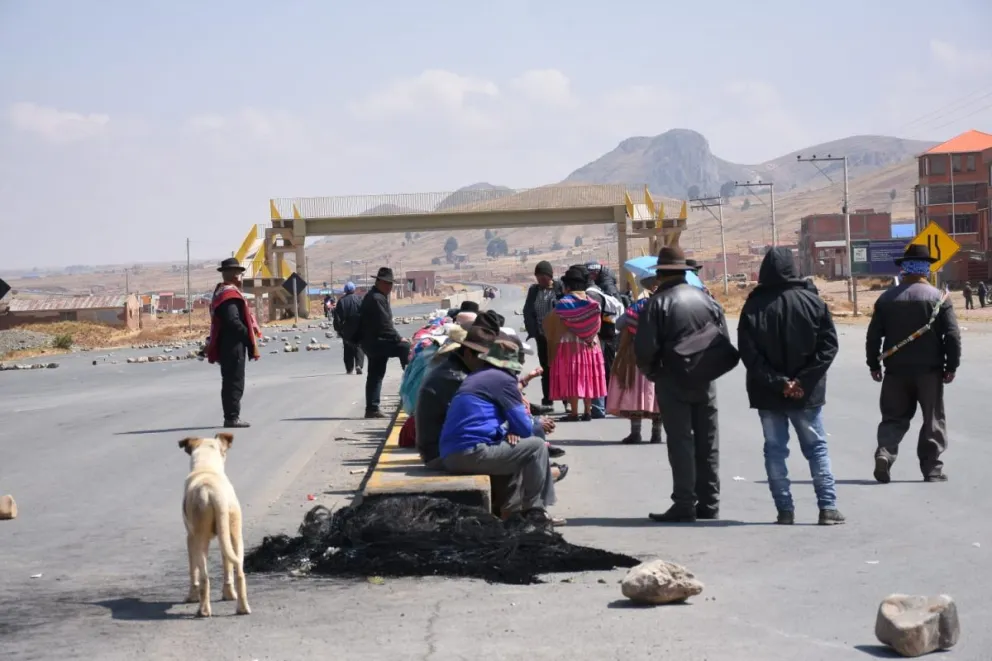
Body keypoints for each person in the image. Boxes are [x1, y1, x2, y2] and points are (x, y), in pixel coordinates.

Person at [738, 248, 845, 526]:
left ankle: (785, 510)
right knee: (817, 448)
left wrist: (779, 383)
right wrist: (802, 382)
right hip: (806, 395)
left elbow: (749, 355)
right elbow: (828, 347)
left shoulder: (753, 307)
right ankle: (828, 508)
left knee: (775, 450)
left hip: (768, 394)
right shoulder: (813, 302)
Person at [635, 246, 734, 523]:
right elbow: (722, 340)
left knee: (680, 442)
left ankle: (684, 503)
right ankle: (710, 503)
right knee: (708, 441)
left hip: (672, 380)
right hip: (705, 381)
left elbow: (644, 350)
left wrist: (654, 373)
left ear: (661, 274)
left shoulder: (657, 303)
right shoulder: (707, 300)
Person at [866, 244, 961, 484]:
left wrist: (873, 364)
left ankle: (885, 454)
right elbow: (952, 336)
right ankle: (932, 469)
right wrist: (952, 366)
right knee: (932, 419)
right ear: (926, 270)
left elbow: (873, 336)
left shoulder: (886, 298)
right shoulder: (939, 298)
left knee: (893, 417)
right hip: (929, 372)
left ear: (904, 270)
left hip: (895, 371)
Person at [439, 339, 557, 527]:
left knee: (518, 449)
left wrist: (511, 428)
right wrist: (535, 423)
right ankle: (535, 511)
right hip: (470, 453)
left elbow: (489, 420)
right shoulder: (503, 380)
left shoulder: (477, 377)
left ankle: (514, 512)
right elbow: (525, 427)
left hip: (452, 452)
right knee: (536, 447)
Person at [415, 312, 501, 468]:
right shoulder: (456, 378)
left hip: (446, 447)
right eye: (483, 358)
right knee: (525, 447)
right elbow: (478, 419)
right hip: (441, 453)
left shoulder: (458, 369)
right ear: (468, 354)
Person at [543, 266, 607, 421]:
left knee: (574, 377)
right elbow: (598, 324)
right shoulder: (593, 303)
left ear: (568, 286)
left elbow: (550, 324)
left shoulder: (563, 304)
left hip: (570, 346)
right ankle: (587, 411)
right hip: (591, 345)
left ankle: (573, 413)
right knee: (587, 377)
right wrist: (589, 336)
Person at [205, 258, 262, 428]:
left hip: (227, 344)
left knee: (230, 381)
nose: (241, 277)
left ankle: (231, 416)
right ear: (234, 275)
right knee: (234, 382)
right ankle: (232, 417)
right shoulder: (230, 296)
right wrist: (248, 336)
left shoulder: (221, 292)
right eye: (239, 274)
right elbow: (233, 321)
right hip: (232, 346)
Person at [607, 274, 663, 444]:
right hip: (661, 357)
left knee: (636, 390)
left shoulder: (640, 305)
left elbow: (619, 324)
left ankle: (636, 433)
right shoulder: (669, 306)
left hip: (637, 354)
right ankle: (656, 433)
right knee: (657, 393)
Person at [358, 267, 411, 419]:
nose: (389, 287)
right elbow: (385, 325)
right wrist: (398, 338)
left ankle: (372, 409)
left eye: (391, 284)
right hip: (377, 342)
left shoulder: (377, 296)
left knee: (375, 374)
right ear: (379, 282)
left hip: (373, 342)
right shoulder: (376, 298)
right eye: (387, 283)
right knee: (405, 348)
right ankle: (412, 385)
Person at [522, 261, 562, 414]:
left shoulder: (560, 289)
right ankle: (548, 400)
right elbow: (528, 311)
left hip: (558, 336)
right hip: (541, 335)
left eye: (543, 277)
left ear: (550, 276)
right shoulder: (534, 291)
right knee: (546, 368)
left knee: (560, 368)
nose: (540, 280)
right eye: (538, 277)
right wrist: (532, 329)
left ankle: (566, 400)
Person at [586, 265, 624, 419]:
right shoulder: (604, 287)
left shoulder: (599, 290)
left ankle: (607, 403)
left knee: (606, 369)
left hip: (606, 335)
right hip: (611, 333)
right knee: (608, 368)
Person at [332, 281, 364, 375]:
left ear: (345, 290)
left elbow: (337, 318)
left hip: (347, 328)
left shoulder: (342, 301)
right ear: (354, 289)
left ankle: (349, 368)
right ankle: (359, 365)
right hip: (359, 327)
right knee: (359, 346)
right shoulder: (359, 299)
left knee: (348, 347)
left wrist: (338, 329)